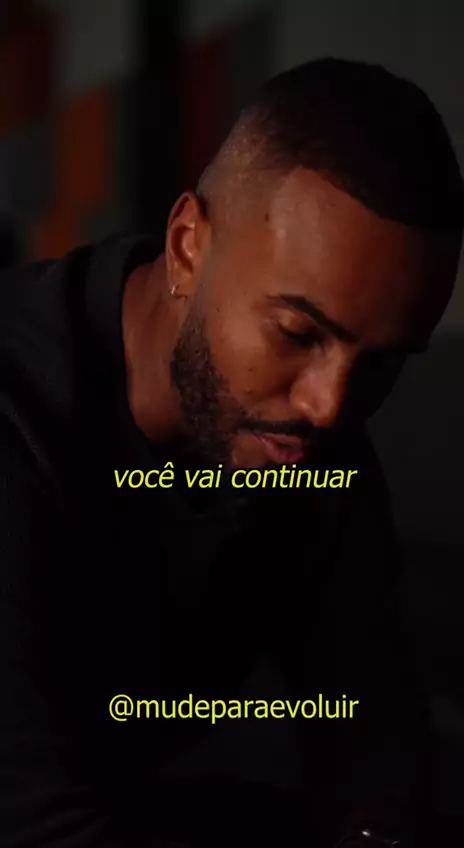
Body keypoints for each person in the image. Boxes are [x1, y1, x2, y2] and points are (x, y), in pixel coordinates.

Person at [0, 57, 463, 848]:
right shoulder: (19, 416)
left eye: (383, 360)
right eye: (297, 332)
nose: (329, 405)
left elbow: (370, 730)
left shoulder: (307, 439)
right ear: (187, 246)